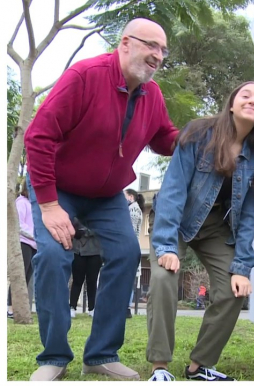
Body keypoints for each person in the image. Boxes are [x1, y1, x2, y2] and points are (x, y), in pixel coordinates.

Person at [23, 18, 178, 381]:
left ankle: (101, 354)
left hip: (107, 195)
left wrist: (205, 136)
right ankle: (54, 357)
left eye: (162, 50)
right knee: (51, 255)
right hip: (58, 187)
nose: (157, 55)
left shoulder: (152, 95)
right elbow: (38, 137)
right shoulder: (85, 76)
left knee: (126, 254)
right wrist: (48, 205)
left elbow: (165, 138)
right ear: (125, 42)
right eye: (150, 45)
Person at [147, 81, 254, 381]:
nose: (253, 101)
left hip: (217, 227)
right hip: (177, 220)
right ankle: (160, 367)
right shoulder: (198, 133)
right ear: (231, 103)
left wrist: (242, 266)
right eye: (246, 95)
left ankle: (199, 365)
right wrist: (166, 246)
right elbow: (173, 189)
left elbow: (249, 215)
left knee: (234, 287)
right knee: (164, 279)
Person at [8, 179, 37, 319]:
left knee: (26, 278)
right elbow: (19, 225)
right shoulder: (21, 202)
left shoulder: (33, 205)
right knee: (19, 277)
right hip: (24, 243)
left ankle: (20, 308)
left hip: (33, 245)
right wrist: (34, 236)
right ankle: (10, 308)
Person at [69, 218, 103, 318]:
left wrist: (86, 231)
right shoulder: (76, 211)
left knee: (92, 281)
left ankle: (92, 308)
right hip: (78, 251)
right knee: (77, 280)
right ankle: (72, 307)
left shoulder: (98, 213)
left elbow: (100, 228)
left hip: (95, 251)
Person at [125, 188, 145, 318]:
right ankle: (126, 307)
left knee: (126, 279)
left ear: (131, 197)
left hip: (128, 247)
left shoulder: (132, 210)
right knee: (129, 280)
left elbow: (129, 230)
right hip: (133, 247)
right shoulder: (137, 209)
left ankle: (125, 307)